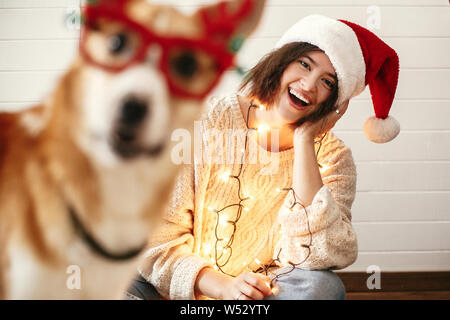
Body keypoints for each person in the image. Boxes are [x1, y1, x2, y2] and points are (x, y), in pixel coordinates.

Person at [124, 14, 400, 300]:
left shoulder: (334, 159)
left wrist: (305, 142)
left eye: (327, 82)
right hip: (187, 291)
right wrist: (221, 286)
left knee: (324, 288)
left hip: (261, 297)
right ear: (281, 62)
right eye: (304, 64)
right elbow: (157, 240)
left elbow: (321, 255)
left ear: (335, 102)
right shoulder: (204, 122)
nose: (307, 85)